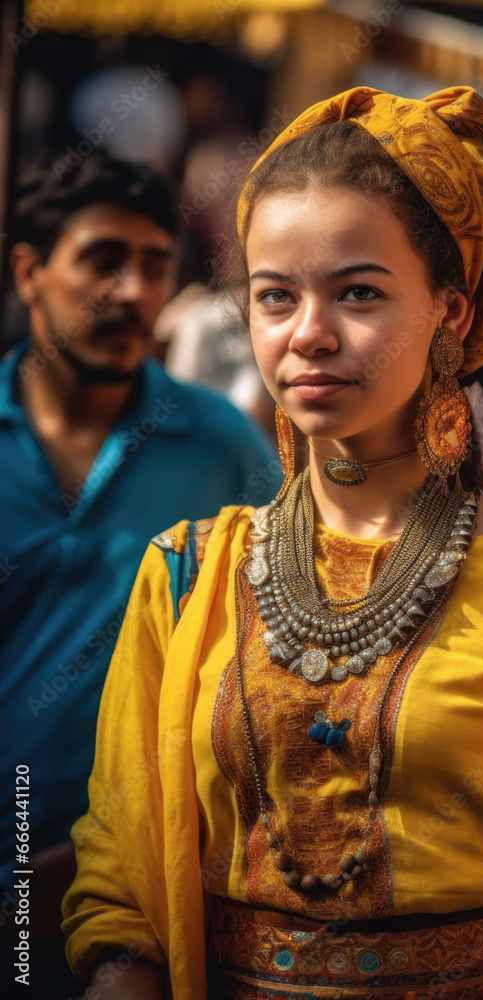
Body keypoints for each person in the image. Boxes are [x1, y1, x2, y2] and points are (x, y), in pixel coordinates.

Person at [62, 87, 483, 1000]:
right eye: (275, 296)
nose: (308, 335)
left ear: (451, 310)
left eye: (358, 293)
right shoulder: (185, 573)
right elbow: (120, 885)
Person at [0, 153, 279, 996]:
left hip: (147, 888)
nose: (130, 291)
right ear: (28, 271)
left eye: (154, 266)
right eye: (101, 261)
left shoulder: (221, 446)